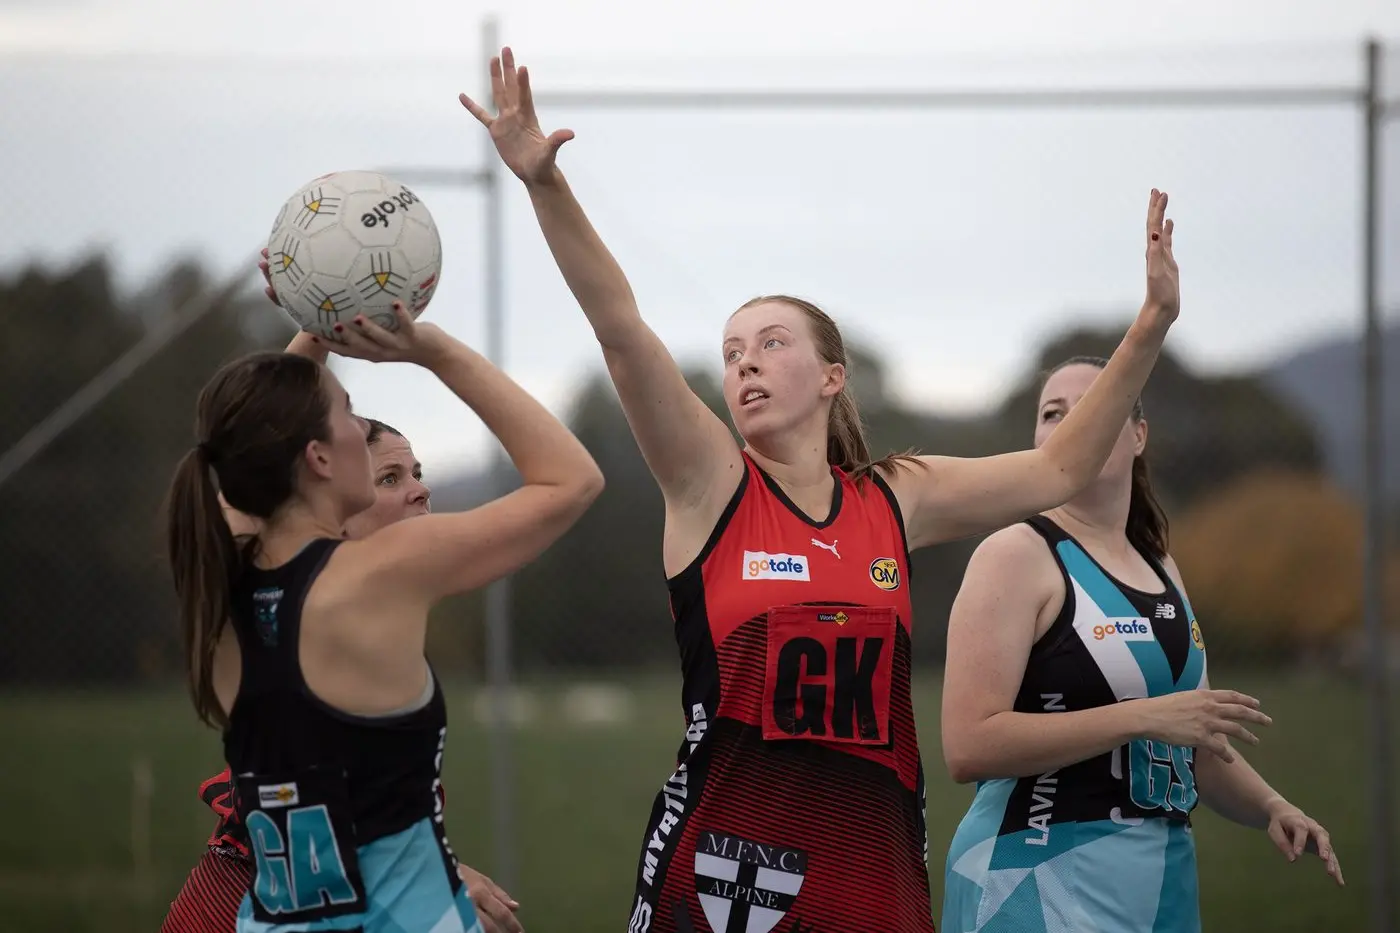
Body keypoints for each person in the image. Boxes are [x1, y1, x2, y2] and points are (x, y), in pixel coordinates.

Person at [460, 46, 1181, 932]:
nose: (745, 363)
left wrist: (1150, 323)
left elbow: (1059, 469)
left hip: (869, 879)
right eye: (732, 352)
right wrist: (545, 185)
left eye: (771, 343)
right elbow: (621, 330)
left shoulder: (893, 498)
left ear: (833, 375)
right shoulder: (711, 482)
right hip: (723, 878)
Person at [163, 297, 603, 933]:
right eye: (347, 412)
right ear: (319, 457)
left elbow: (247, 447)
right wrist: (434, 350)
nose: (357, 425)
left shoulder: (219, 579)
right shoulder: (382, 572)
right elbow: (571, 480)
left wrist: (317, 319)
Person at [939, 356, 1344, 932]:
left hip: (1158, 884)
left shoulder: (1161, 567)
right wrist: (1140, 717)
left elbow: (1192, 741)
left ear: (1138, 434)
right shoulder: (1016, 554)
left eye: (1093, 407)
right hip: (1033, 876)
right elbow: (969, 745)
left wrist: (1273, 806)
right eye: (1053, 414)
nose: (1072, 425)